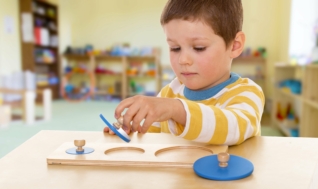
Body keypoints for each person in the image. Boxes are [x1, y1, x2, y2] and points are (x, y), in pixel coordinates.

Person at [104, 0, 265, 145]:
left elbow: (234, 127)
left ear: (235, 46)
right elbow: (152, 137)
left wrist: (177, 109)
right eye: (175, 48)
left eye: (199, 48)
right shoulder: (170, 93)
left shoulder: (247, 93)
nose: (183, 60)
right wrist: (131, 129)